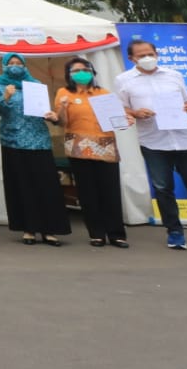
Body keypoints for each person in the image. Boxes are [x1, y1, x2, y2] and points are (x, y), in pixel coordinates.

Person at [115, 39, 187, 253]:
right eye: (141, 56)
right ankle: (174, 232)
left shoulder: (174, 75)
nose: (147, 58)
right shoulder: (124, 80)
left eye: (150, 53)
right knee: (163, 189)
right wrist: (135, 112)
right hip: (153, 142)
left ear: (157, 53)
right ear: (131, 59)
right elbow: (120, 108)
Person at [0, 53, 71, 245]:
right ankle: (28, 229)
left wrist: (51, 115)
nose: (15, 66)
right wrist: (5, 97)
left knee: (46, 185)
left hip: (39, 140)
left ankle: (50, 229)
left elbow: (42, 110)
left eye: (19, 63)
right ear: (4, 65)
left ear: (25, 66)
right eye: (11, 63)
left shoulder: (35, 84)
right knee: (22, 185)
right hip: (13, 140)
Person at [54, 57, 132, 247]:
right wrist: (63, 107)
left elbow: (116, 121)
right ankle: (96, 233)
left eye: (85, 69)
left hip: (105, 145)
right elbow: (61, 122)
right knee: (88, 192)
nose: (81, 73)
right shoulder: (64, 93)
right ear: (69, 75)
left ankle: (116, 233)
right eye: (76, 70)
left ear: (92, 72)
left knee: (110, 191)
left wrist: (125, 120)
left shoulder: (103, 93)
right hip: (79, 146)